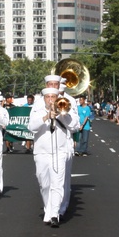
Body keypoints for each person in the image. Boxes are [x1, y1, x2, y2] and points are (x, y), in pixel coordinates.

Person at [28, 87, 78, 228]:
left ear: (57, 98)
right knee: (44, 184)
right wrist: (45, 117)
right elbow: (31, 127)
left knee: (57, 184)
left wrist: (62, 115)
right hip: (41, 153)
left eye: (53, 97)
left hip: (59, 152)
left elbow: (74, 126)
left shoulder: (64, 110)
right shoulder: (37, 111)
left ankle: (54, 214)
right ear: (44, 99)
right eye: (48, 97)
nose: (50, 99)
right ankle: (48, 209)